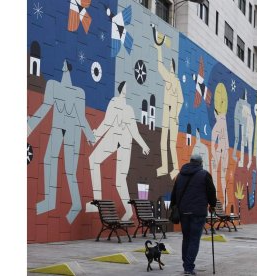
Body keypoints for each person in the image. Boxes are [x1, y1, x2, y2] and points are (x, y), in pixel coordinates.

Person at [27, 59, 96, 224]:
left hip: (73, 132)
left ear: (67, 67)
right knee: (47, 160)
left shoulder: (79, 93)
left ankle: (76, 204)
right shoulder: (53, 86)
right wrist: (29, 126)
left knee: (70, 170)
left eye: (64, 63)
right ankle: (50, 200)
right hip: (57, 128)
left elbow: (81, 117)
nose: (62, 64)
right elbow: (45, 107)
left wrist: (89, 135)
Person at [86, 81, 150, 220]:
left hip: (125, 142)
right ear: (121, 88)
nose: (128, 87)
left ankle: (129, 211)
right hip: (114, 137)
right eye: (126, 85)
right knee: (93, 160)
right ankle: (97, 201)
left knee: (120, 179)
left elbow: (134, 132)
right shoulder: (114, 102)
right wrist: (95, 137)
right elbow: (107, 122)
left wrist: (144, 145)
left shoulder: (129, 109)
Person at [170, 154, 217, 275]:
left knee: (186, 238)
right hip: (198, 212)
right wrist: (212, 205)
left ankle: (186, 264)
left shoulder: (180, 175)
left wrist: (174, 207)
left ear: (190, 161)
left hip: (183, 212)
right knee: (194, 239)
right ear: (200, 163)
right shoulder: (204, 174)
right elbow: (211, 192)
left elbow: (174, 193)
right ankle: (189, 267)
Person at [155, 43, 184, 180]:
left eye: (170, 65)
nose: (168, 67)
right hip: (166, 114)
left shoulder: (176, 82)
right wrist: (159, 49)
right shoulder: (167, 79)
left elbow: (181, 100)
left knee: (171, 143)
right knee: (162, 141)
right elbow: (159, 66)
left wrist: (176, 114)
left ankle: (175, 168)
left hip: (173, 116)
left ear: (173, 66)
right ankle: (164, 166)